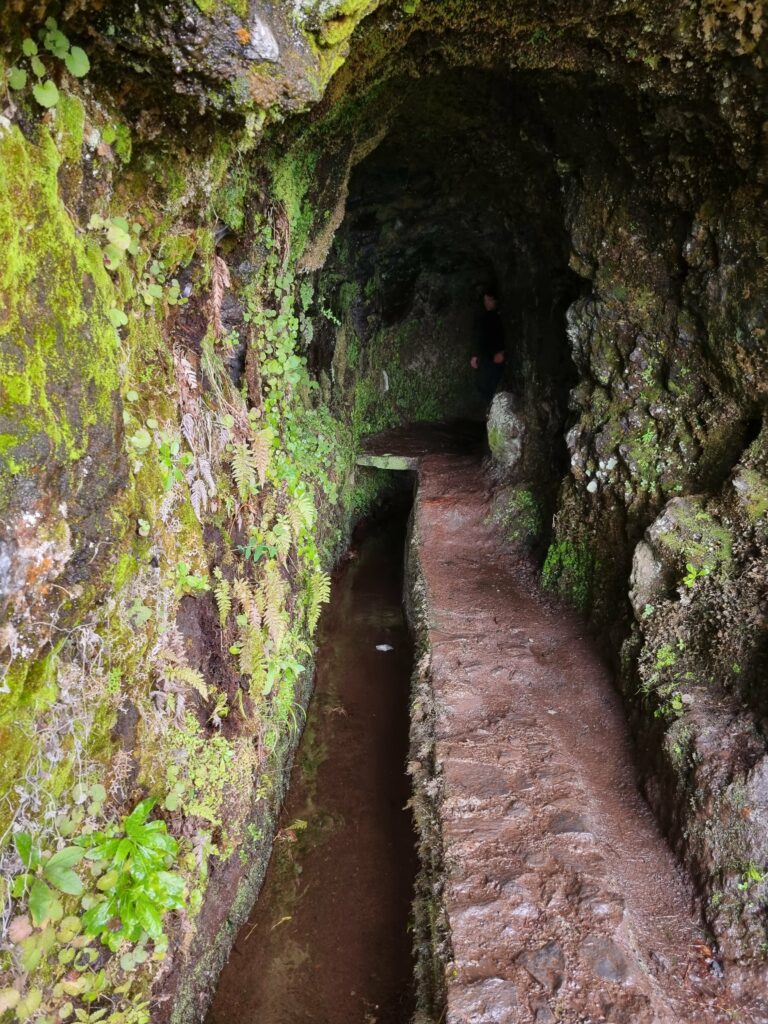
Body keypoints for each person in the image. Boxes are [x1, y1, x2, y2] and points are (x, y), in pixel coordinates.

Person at [470, 289, 506, 403]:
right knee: (485, 385)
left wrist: (502, 352)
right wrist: (475, 355)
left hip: (496, 356)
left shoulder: (500, 316)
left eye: (489, 300)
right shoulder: (485, 316)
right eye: (485, 300)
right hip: (487, 356)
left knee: (492, 385)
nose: (487, 303)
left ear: (495, 301)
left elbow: (504, 335)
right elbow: (480, 337)